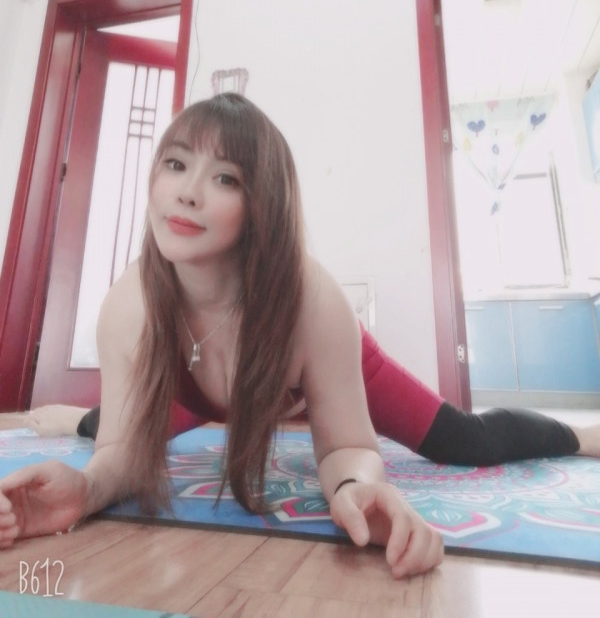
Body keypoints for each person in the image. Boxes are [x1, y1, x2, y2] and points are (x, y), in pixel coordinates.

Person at [0, 94, 598, 574]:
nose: (187, 191)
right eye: (176, 164)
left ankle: (584, 434)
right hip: (197, 387)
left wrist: (356, 486)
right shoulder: (128, 308)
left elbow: (345, 447)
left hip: (316, 378)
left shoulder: (313, 301)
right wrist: (86, 488)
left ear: (262, 204)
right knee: (115, 424)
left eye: (225, 177)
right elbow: (125, 451)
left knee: (465, 441)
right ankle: (70, 419)